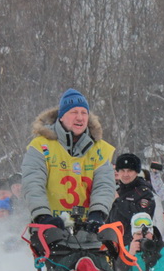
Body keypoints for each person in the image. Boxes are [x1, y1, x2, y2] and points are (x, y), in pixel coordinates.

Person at [21, 88, 115, 230]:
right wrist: (43, 216)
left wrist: (97, 214)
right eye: (74, 112)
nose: (80, 117)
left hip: (87, 228)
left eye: (84, 113)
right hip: (49, 226)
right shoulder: (40, 145)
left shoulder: (99, 149)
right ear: (61, 117)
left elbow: (104, 185)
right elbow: (32, 183)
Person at [108, 154, 155, 246]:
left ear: (136, 172)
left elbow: (141, 216)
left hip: (135, 245)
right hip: (115, 244)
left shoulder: (144, 192)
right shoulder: (118, 191)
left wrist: (118, 201)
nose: (125, 174)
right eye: (122, 170)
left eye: (129, 171)